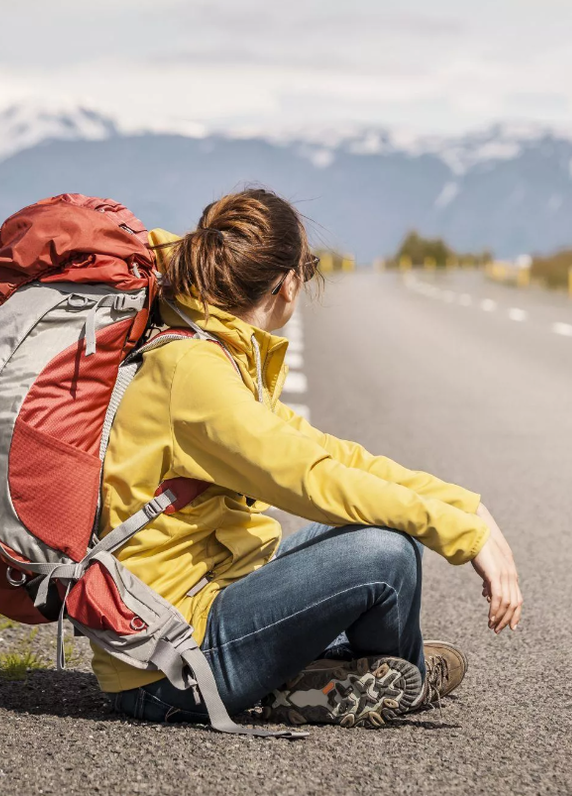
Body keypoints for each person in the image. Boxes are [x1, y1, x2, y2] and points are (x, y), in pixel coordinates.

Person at [98, 187, 523, 728]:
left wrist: (464, 507)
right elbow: (309, 478)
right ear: (288, 282)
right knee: (386, 556)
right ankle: (387, 677)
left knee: (391, 538)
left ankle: (336, 677)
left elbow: (329, 452)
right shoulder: (193, 371)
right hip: (168, 663)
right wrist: (461, 538)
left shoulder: (213, 350)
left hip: (208, 603)